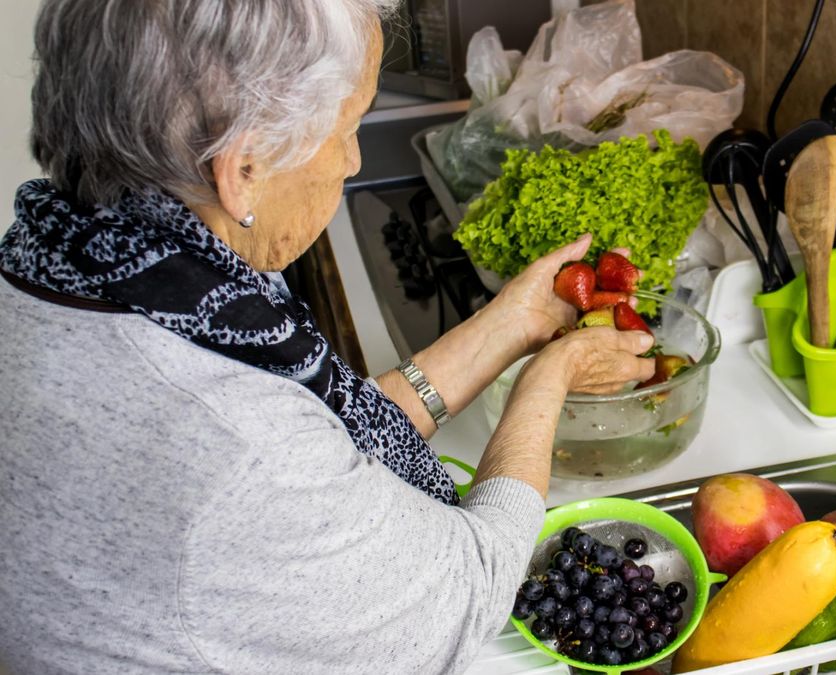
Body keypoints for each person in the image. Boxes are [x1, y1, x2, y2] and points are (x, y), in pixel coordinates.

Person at [0, 1, 656, 673]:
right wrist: (549, 374)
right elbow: (469, 588)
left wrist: (515, 324)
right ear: (242, 167)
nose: (353, 161)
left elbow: (333, 444)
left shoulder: (91, 262)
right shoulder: (237, 450)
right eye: (349, 125)